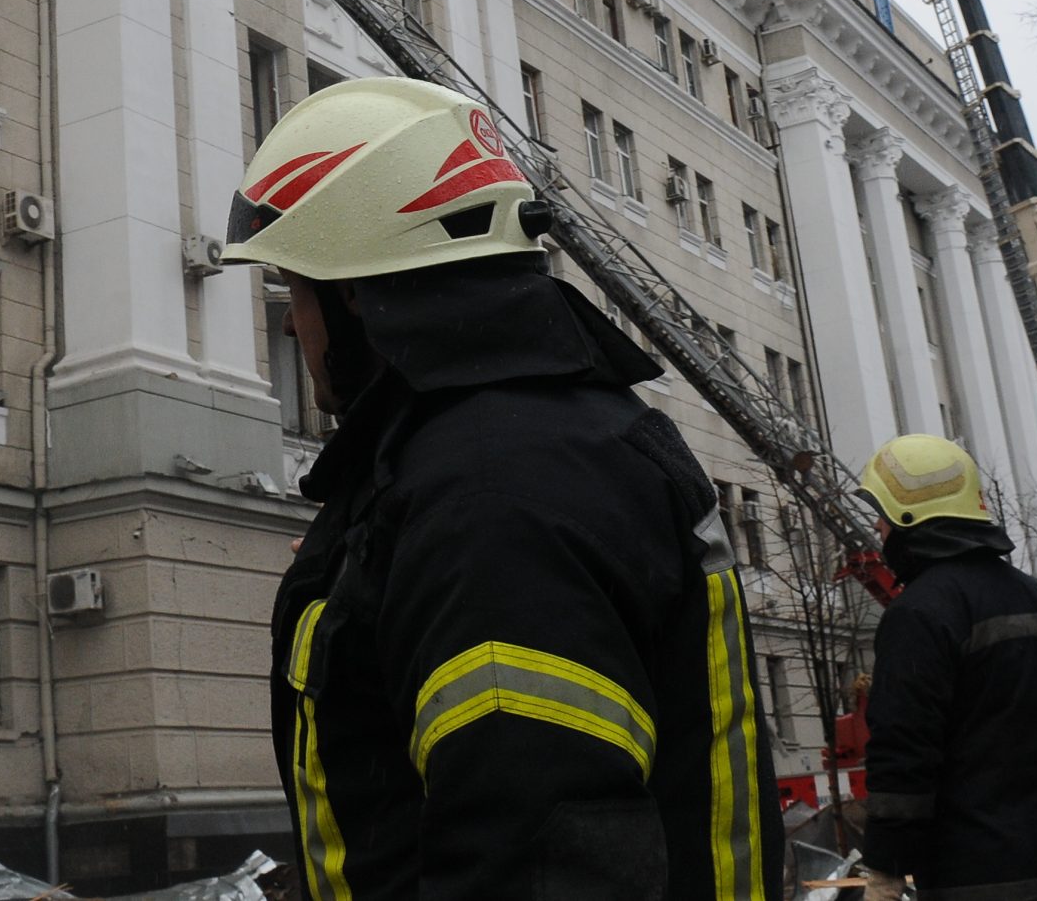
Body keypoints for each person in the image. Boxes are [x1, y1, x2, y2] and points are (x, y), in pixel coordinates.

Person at [228, 76, 783, 900]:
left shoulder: (487, 497)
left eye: (296, 289)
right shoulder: (542, 446)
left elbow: (535, 854)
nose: (286, 322)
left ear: (358, 292)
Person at [855, 434, 1037, 901]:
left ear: (909, 520)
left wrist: (885, 868)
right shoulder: (1034, 596)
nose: (878, 529)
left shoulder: (920, 613)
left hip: (978, 879)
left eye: (883, 516)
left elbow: (903, 750)